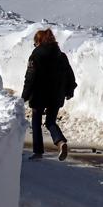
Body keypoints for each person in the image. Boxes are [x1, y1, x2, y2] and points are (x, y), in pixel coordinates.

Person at [21, 29, 77, 161]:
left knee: (36, 121)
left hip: (39, 94)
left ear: (39, 41)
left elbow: (30, 77)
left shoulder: (36, 55)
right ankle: (60, 142)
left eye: (35, 43)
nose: (35, 46)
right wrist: (70, 91)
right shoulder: (61, 56)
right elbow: (70, 75)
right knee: (50, 121)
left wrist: (24, 96)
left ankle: (38, 152)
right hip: (56, 95)